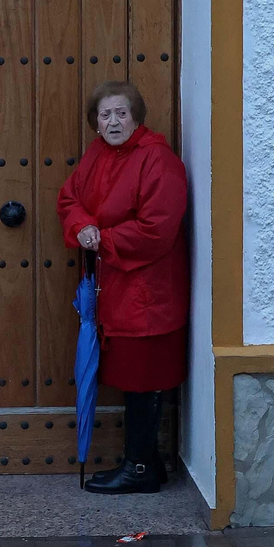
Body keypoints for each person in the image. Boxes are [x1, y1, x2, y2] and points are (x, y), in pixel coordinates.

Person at [57, 81, 189, 495]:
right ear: (95, 123)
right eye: (104, 114)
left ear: (137, 117)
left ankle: (141, 467)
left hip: (147, 292)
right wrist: (83, 227)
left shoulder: (158, 160)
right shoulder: (97, 153)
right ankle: (143, 463)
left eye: (121, 113)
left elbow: (157, 229)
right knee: (132, 376)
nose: (113, 121)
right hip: (115, 288)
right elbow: (69, 199)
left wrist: (104, 240)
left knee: (143, 378)